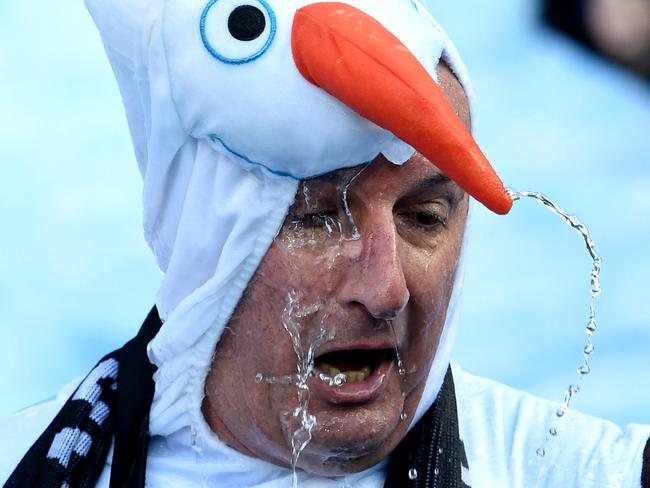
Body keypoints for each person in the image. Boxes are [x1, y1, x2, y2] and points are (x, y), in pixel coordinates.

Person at [1, 0, 649, 486]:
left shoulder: (569, 467)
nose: (386, 288)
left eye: (424, 217)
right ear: (205, 242)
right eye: (318, 220)